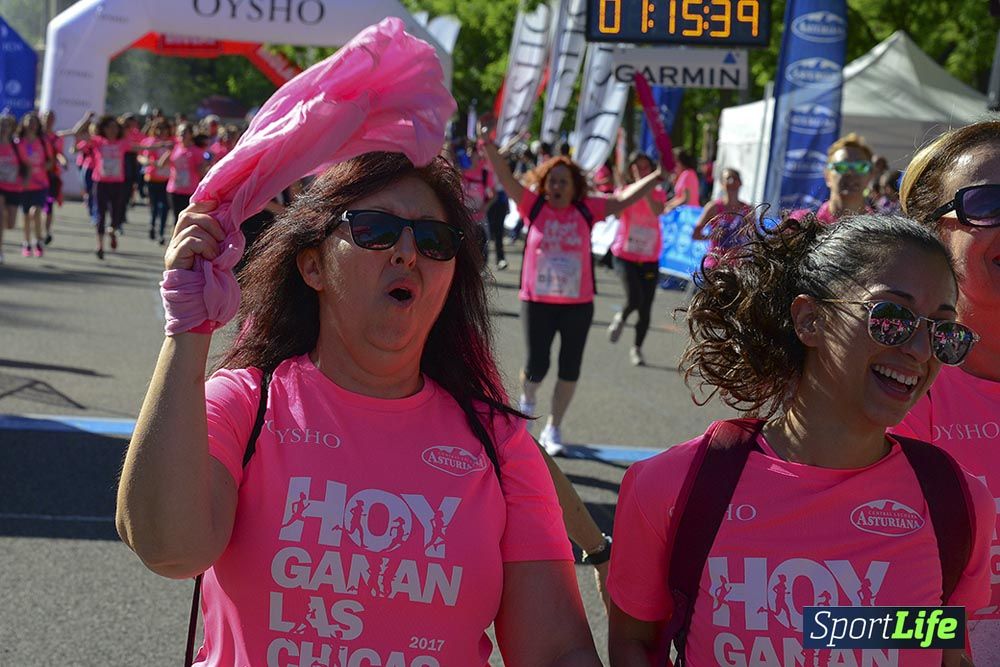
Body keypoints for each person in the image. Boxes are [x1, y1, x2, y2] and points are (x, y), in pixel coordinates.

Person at [116, 153, 601, 666]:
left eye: (434, 240)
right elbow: (169, 547)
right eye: (376, 230)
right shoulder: (244, 402)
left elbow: (555, 652)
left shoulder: (498, 443)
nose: (408, 253)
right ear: (313, 265)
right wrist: (188, 333)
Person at [607, 213, 994, 666]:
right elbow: (636, 641)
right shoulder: (672, 487)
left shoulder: (958, 503)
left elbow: (942, 646)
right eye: (892, 318)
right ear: (810, 319)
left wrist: (831, 626)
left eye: (942, 330)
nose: (919, 350)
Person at [482, 125, 663, 455]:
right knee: (537, 365)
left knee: (569, 366)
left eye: (564, 181)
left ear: (574, 186)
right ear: (544, 184)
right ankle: (529, 400)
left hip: (577, 305)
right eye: (552, 180)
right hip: (537, 302)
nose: (557, 186)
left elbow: (624, 198)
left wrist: (655, 177)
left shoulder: (586, 209)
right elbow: (506, 178)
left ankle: (554, 427)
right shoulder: (532, 206)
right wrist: (489, 145)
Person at [895, 119, 1000, 664]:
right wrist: (964, 646)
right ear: (931, 235)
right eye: (990, 202)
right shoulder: (890, 393)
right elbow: (831, 621)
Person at [607, 151, 667, 367]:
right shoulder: (624, 192)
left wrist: (646, 187)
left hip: (649, 256)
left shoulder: (658, 193)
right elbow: (614, 214)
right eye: (637, 167)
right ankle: (621, 318)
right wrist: (627, 190)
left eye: (645, 167)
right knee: (634, 298)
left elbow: (657, 211)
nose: (641, 171)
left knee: (645, 308)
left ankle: (637, 348)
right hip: (625, 255)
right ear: (630, 170)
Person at [800, 133, 874, 223]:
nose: (850, 173)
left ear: (871, 175)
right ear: (827, 175)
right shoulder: (800, 224)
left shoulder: (882, 231)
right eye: (842, 167)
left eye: (860, 167)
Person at [692, 167, 753, 262]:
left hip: (738, 266)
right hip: (716, 264)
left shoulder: (748, 210)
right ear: (721, 184)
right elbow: (695, 234)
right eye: (728, 179)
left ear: (740, 183)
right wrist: (714, 236)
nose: (731, 182)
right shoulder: (713, 207)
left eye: (734, 178)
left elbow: (753, 236)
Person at [14, 111, 53, 258]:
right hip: (23, 185)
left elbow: (50, 161)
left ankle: (38, 241)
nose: (31, 125)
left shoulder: (43, 141)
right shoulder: (18, 142)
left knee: (35, 212)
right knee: (25, 215)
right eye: (29, 122)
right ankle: (26, 243)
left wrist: (43, 166)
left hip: (41, 184)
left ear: (38, 125)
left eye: (34, 122)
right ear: (23, 124)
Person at [162, 122, 209, 227]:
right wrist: (168, 152)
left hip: (189, 190)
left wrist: (204, 164)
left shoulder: (196, 151)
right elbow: (162, 164)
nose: (181, 135)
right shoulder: (175, 148)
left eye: (184, 133)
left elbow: (201, 172)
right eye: (180, 133)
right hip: (174, 189)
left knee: (186, 218)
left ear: (190, 134)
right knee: (176, 217)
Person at [139, 119, 173, 245]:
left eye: (164, 128)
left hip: (167, 179)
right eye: (159, 128)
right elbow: (141, 156)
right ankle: (152, 225)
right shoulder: (150, 142)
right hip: (152, 178)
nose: (162, 131)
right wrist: (147, 162)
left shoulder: (173, 142)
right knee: (154, 206)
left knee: (164, 207)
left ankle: (161, 232)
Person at [40, 110, 69, 246]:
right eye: (46, 117)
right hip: (36, 175)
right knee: (35, 206)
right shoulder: (37, 136)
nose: (49, 120)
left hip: (51, 175)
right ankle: (36, 231)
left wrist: (63, 161)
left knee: (49, 204)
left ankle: (47, 232)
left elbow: (59, 154)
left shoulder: (56, 137)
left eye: (51, 117)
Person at [0, 112, 21, 264]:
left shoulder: (17, 145)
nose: (5, 127)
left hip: (13, 186)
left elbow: (26, 164)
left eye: (8, 124)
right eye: (2, 123)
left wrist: (26, 179)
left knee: (10, 224)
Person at [663, 147, 700, 214]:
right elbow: (678, 197)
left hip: (690, 214)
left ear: (680, 161)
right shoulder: (685, 174)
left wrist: (669, 207)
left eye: (674, 162)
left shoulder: (688, 174)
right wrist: (666, 205)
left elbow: (685, 199)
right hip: (687, 213)